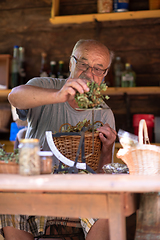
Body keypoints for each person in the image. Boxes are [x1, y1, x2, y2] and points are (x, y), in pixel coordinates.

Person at [2, 39, 117, 240]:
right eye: (83, 63)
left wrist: (107, 149)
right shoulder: (43, 86)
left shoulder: (104, 114)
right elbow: (14, 96)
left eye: (99, 69)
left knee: (106, 204)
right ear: (71, 63)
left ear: (105, 74)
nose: (89, 73)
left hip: (79, 194)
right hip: (35, 185)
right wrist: (59, 95)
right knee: (7, 201)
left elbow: (102, 175)